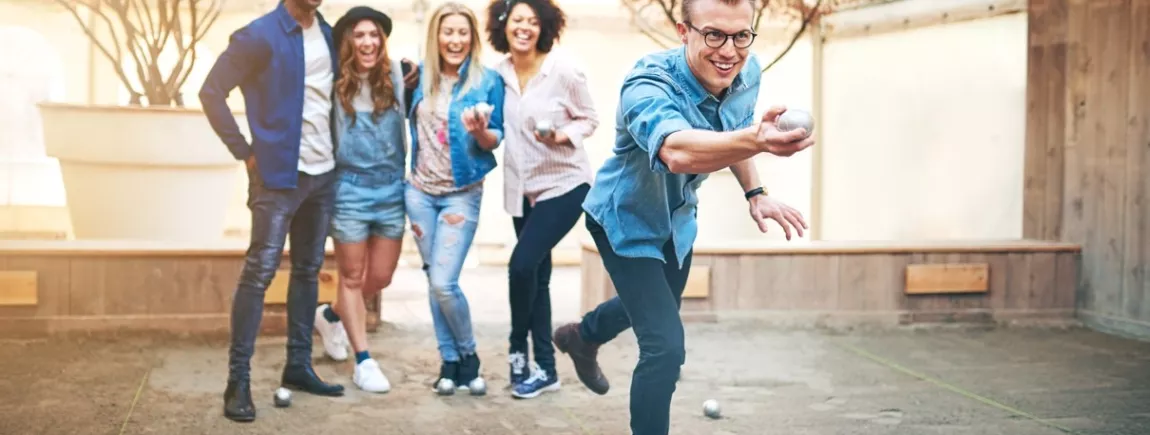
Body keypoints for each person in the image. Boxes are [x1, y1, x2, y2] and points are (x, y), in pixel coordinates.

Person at [550, 0, 815, 432]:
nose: (729, 51)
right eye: (714, 35)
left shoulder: (746, 72)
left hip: (676, 224)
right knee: (665, 348)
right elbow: (676, 150)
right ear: (683, 31)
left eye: (741, 36)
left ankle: (583, 335)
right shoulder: (647, 83)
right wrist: (756, 140)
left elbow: (737, 130)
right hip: (624, 221)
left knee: (656, 310)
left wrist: (756, 191)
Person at [199, 0, 345, 423]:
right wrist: (244, 152)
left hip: (323, 174)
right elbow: (211, 92)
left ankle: (298, 366)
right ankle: (237, 381)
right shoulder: (258, 35)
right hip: (277, 177)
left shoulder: (330, 34)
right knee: (260, 272)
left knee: (307, 270)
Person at [484, 0, 599, 399]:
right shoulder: (496, 75)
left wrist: (561, 135)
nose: (525, 28)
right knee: (537, 278)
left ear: (544, 27)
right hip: (522, 188)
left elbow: (590, 118)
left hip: (565, 183)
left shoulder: (562, 69)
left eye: (533, 21)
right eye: (518, 20)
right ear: (504, 25)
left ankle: (518, 350)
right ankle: (547, 370)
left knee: (521, 266)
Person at [405, 1, 506, 396]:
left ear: (472, 38)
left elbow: (497, 137)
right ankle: (449, 363)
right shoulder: (417, 77)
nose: (455, 39)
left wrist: (481, 132)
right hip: (418, 194)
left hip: (461, 194)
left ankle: (469, 355)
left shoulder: (486, 80)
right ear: (436, 36)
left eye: (463, 32)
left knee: (445, 282)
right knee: (434, 281)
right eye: (448, 31)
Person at [309, 5, 408, 394]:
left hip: (390, 189)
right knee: (351, 277)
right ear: (348, 41)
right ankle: (364, 361)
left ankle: (331, 315)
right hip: (348, 188)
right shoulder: (336, 82)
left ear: (381, 41)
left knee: (380, 276)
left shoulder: (399, 76)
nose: (367, 42)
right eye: (359, 35)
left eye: (373, 35)